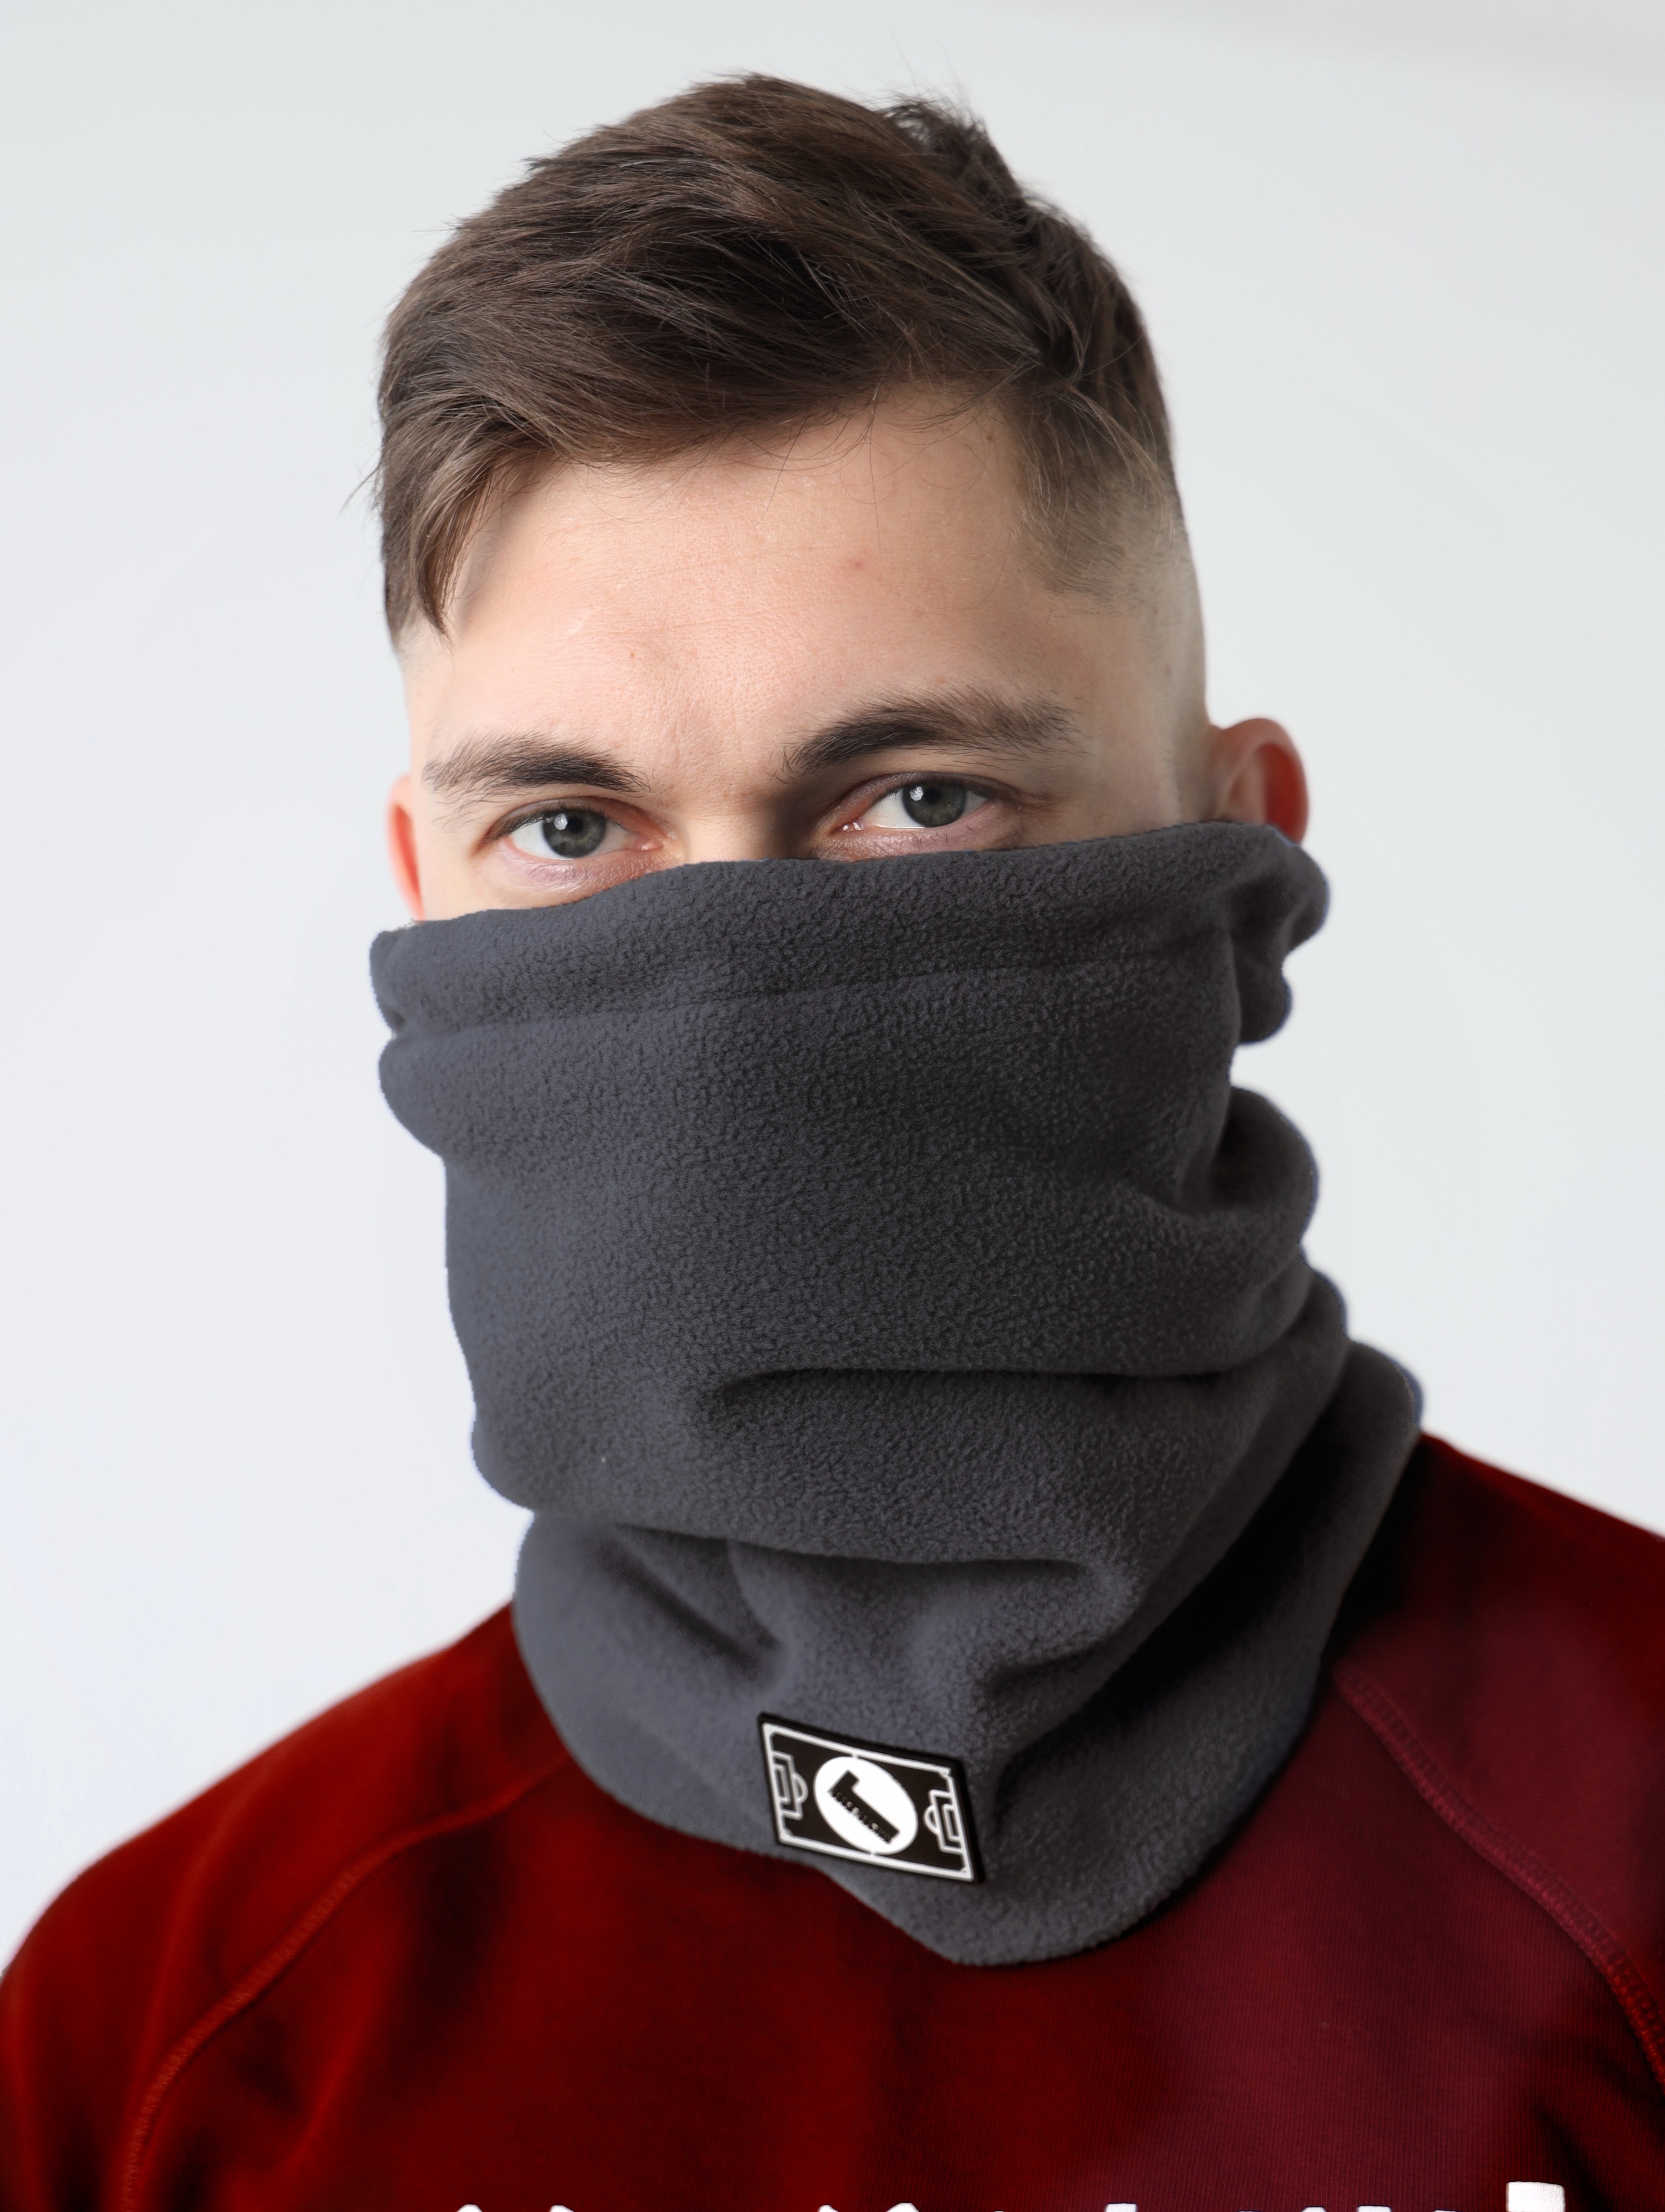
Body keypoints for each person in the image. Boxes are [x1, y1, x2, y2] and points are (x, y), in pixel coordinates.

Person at [2, 73, 1661, 2212]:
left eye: (921, 798)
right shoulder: (161, 2035)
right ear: (422, 888)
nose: (725, 982)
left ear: (1240, 837)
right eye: (571, 827)